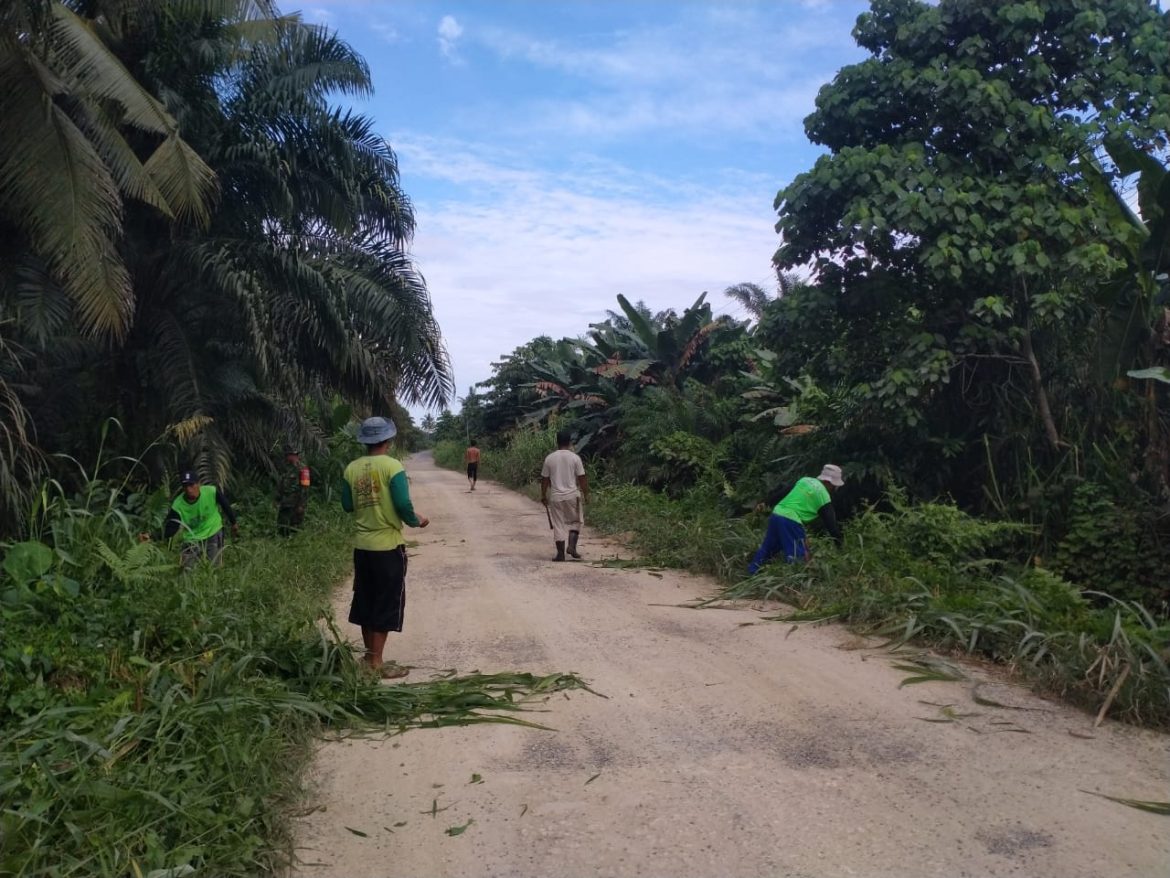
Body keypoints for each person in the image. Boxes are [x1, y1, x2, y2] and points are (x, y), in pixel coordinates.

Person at [341, 416, 429, 678]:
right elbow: (403, 504)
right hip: (388, 547)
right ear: (388, 440)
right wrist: (416, 520)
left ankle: (369, 659)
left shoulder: (351, 469)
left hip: (363, 547)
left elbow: (347, 505)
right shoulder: (393, 467)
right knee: (386, 602)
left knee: (366, 600)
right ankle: (376, 663)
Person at [748, 464, 845, 574]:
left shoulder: (805, 480)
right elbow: (832, 527)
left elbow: (783, 492)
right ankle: (794, 586)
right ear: (831, 483)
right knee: (798, 556)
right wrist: (840, 547)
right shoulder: (823, 496)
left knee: (768, 547)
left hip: (777, 513)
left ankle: (752, 572)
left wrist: (765, 502)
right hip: (791, 520)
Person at [164, 470, 239, 569]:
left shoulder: (211, 491)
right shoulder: (178, 505)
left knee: (214, 568)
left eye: (191, 485)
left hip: (212, 531)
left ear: (199, 484)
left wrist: (233, 523)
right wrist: (151, 536)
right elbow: (170, 527)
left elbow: (226, 506)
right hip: (192, 538)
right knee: (185, 572)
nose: (189, 489)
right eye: (185, 486)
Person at [540, 431, 588, 561]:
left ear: (557, 442)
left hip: (556, 497)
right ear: (569, 442)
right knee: (576, 521)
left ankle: (560, 554)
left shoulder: (549, 458)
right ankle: (572, 547)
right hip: (572, 495)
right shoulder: (575, 458)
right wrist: (586, 493)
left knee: (558, 524)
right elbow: (582, 477)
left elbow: (544, 479)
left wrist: (543, 495)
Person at [275, 445, 310, 536]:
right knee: (282, 527)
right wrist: (277, 499)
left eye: (289, 455)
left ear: (294, 455)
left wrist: (301, 505)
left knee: (294, 528)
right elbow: (281, 484)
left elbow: (305, 489)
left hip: (296, 504)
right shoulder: (285, 467)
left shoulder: (303, 469)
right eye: (287, 455)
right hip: (285, 503)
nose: (287, 457)